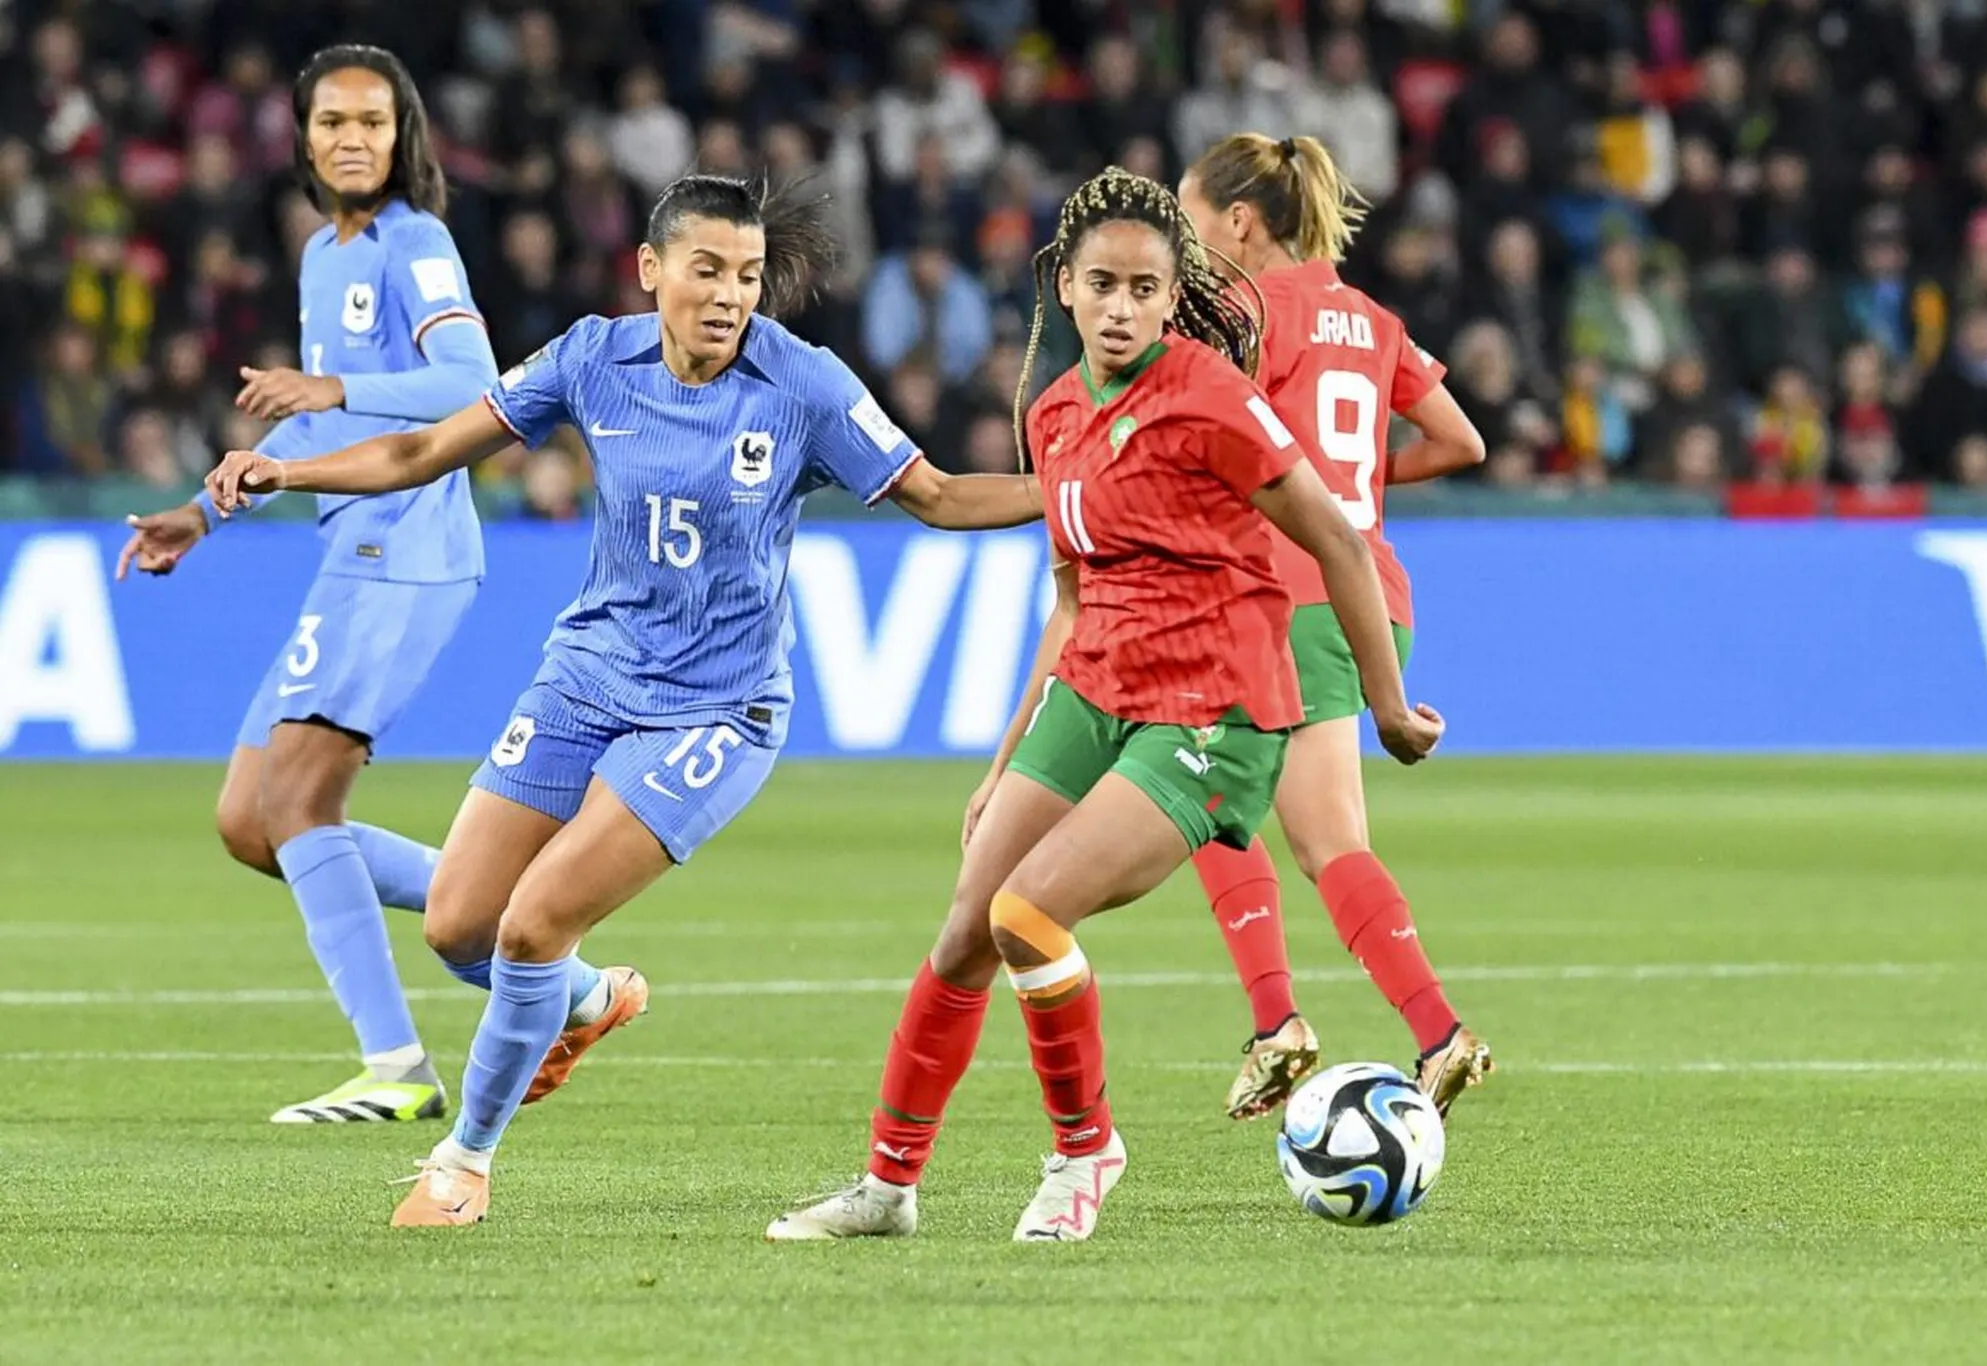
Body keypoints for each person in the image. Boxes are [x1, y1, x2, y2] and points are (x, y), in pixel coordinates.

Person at [206, 172, 1045, 1228]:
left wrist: (1079, 490)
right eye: (705, 270)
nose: (729, 294)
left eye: (745, 275)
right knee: (459, 924)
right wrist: (292, 476)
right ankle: (591, 998)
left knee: (533, 923)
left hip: (716, 709)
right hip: (588, 674)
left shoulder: (803, 384)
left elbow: (933, 494)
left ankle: (462, 1165)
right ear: (651, 271)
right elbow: (425, 449)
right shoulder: (593, 358)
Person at [765, 167, 1442, 1245]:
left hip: (1212, 709)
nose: (1121, 306)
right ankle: (887, 1189)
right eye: (1102, 285)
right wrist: (1001, 762)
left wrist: (1388, 704)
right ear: (1063, 288)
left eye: (1142, 287)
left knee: (1027, 916)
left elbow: (1335, 537)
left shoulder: (1216, 399)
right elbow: (1069, 599)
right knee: (960, 937)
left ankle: (1085, 1152)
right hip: (1097, 685)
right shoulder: (1056, 410)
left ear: (1174, 297)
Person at [115, 46, 505, 1125]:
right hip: (353, 544)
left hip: (406, 544)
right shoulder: (325, 256)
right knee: (252, 819)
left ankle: (397, 1065)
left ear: (401, 136)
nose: (351, 137)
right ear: (301, 135)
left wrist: (334, 382)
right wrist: (206, 508)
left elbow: (471, 385)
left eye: (372, 122)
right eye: (331, 120)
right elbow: (330, 418)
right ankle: (543, 951)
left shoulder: (413, 243)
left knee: (295, 804)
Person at [1178, 132, 1493, 1121]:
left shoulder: (1241, 312)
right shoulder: (1369, 318)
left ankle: (1296, 1025)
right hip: (1368, 600)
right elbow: (1461, 440)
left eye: (1188, 220)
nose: (1183, 244)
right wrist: (1348, 485)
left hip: (1280, 594)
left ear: (1236, 222)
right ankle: (1430, 1036)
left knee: (1208, 802)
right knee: (1320, 837)